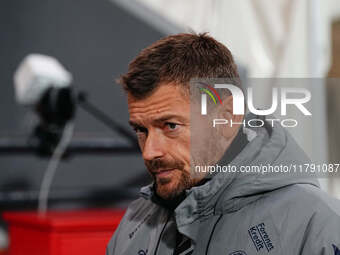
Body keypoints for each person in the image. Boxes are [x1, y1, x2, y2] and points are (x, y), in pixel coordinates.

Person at [106, 33, 340, 255]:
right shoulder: (136, 221)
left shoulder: (317, 224)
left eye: (170, 126)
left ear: (228, 116)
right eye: (141, 130)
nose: (149, 152)